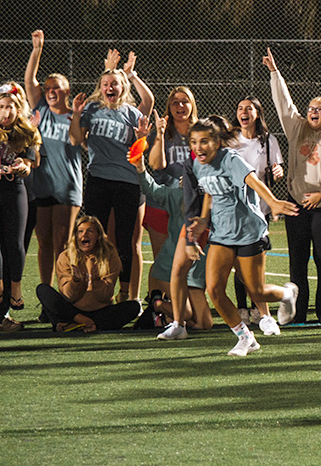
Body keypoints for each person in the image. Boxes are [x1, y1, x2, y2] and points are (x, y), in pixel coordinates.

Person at [187, 116, 299, 356]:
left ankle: (287, 293)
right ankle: (245, 337)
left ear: (217, 142)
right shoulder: (198, 164)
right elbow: (209, 191)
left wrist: (272, 201)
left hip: (249, 231)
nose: (198, 147)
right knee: (214, 289)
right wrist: (204, 220)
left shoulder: (231, 159)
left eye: (204, 141)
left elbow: (252, 180)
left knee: (256, 291)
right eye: (194, 141)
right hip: (221, 234)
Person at [265, 48, 321, 323]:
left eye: (320, 109)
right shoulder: (297, 128)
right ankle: (297, 314)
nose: (314, 112)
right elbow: (284, 104)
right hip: (296, 204)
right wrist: (275, 73)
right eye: (311, 108)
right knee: (297, 262)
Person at [69, 50, 154, 302]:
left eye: (115, 83)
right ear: (100, 87)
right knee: (95, 236)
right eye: (105, 83)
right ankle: (94, 288)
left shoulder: (131, 113)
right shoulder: (91, 109)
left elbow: (139, 151)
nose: (110, 87)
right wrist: (75, 113)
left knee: (125, 238)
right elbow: (75, 139)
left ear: (123, 87)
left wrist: (142, 139)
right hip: (98, 179)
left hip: (128, 182)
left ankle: (126, 293)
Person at [0, 82, 42, 332]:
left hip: (15, 191)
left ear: (18, 110)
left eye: (11, 107)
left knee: (15, 242)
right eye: (2, 106)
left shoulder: (25, 130)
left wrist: (23, 166)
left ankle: (15, 286)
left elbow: (30, 161)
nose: (7, 111)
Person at [130, 149, 212, 337]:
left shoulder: (215, 200)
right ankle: (156, 303)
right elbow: (152, 189)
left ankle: (163, 318)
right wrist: (141, 168)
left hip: (195, 274)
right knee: (186, 314)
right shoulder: (178, 197)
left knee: (204, 324)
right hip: (169, 269)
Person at [24, 30, 82, 287]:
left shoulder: (74, 114)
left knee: (62, 244)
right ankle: (47, 297)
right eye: (47, 88)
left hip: (67, 186)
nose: (49, 91)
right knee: (45, 243)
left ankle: (64, 295)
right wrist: (37, 50)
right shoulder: (40, 110)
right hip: (42, 184)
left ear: (66, 90)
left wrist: (78, 117)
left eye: (55, 87)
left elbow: (77, 141)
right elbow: (29, 80)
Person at [35, 216, 141, 331]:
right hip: (73, 311)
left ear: (98, 236)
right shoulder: (65, 257)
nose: (84, 235)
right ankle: (83, 322)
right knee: (43, 290)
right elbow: (68, 296)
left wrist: (92, 276)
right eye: (80, 231)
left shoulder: (110, 256)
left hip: (100, 311)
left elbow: (104, 296)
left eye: (90, 231)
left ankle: (72, 325)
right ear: (75, 236)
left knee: (133, 307)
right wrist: (75, 282)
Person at [232, 94, 284, 324]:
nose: (244, 112)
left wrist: (278, 172)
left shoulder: (267, 140)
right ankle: (241, 306)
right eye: (240, 108)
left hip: (258, 209)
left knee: (255, 259)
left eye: (249, 109)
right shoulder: (231, 139)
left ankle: (257, 307)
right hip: (234, 208)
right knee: (237, 261)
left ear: (257, 114)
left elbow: (276, 167)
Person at [146, 86, 199, 264]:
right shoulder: (161, 133)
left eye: (185, 101)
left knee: (189, 261)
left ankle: (185, 293)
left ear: (192, 105)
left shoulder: (201, 134)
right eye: (175, 102)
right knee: (162, 260)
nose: (180, 105)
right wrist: (160, 135)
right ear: (169, 107)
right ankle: (157, 293)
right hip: (162, 203)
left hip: (191, 205)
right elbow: (155, 164)